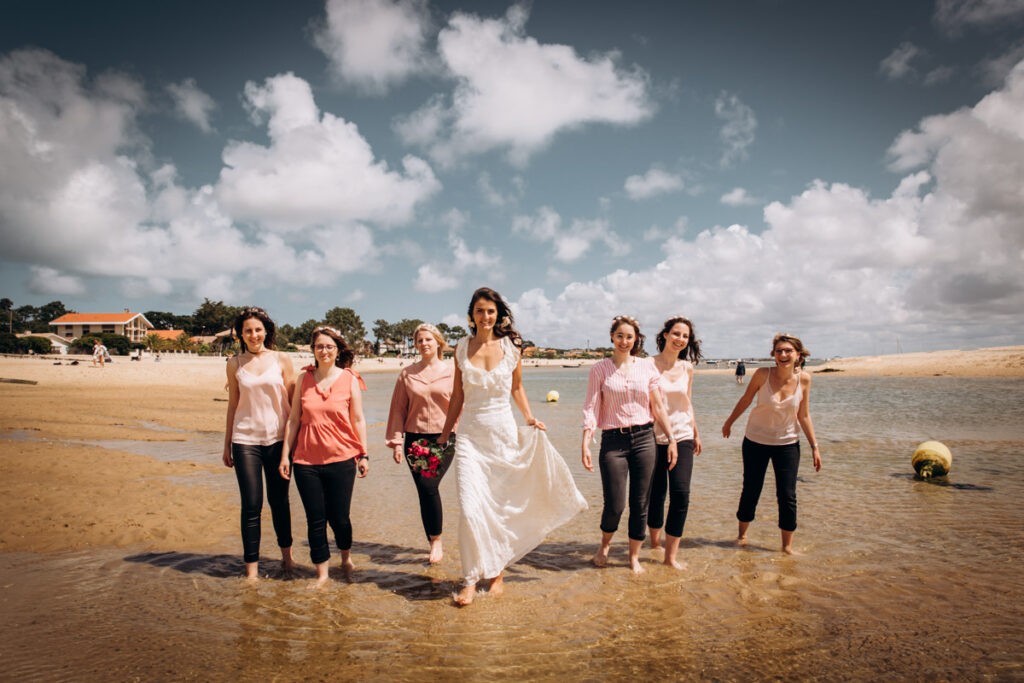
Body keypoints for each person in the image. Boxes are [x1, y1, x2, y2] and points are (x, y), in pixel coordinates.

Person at [438, 287, 586, 606]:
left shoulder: (511, 347)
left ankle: (497, 573)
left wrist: (530, 417)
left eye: (490, 311)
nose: (485, 316)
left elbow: (517, 387)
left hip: (503, 435)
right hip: (470, 437)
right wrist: (445, 432)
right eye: (480, 311)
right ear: (471, 315)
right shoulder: (461, 347)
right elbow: (457, 396)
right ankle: (469, 580)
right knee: (470, 509)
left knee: (500, 509)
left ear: (498, 314)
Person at [581, 315, 677, 574]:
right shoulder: (599, 369)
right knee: (615, 504)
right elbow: (591, 407)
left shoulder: (647, 367)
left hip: (644, 439)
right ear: (612, 337)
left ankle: (634, 557)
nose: (624, 341)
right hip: (613, 441)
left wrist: (671, 439)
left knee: (640, 502)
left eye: (629, 337)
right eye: (620, 336)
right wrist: (586, 442)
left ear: (636, 340)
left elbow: (658, 406)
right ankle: (604, 545)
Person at [279, 326, 369, 588]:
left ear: (337, 350)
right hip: (306, 461)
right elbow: (293, 420)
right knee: (315, 520)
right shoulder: (304, 379)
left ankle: (346, 557)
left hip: (342, 459)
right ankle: (322, 574)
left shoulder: (350, 379)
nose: (324, 350)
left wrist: (364, 454)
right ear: (313, 350)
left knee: (340, 518)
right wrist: (285, 456)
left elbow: (358, 419)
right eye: (319, 346)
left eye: (329, 346)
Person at [721, 333, 822, 554]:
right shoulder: (762, 374)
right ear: (773, 354)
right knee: (751, 489)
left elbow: (804, 415)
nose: (783, 354)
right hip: (755, 441)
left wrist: (814, 446)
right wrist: (729, 422)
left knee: (787, 495)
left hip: (788, 443)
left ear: (798, 355)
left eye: (788, 351)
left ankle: (787, 547)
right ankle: (742, 536)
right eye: (779, 351)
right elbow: (746, 399)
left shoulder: (804, 379)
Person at [222, 306, 296, 580]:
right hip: (245, 441)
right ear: (241, 334)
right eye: (248, 331)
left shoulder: (281, 359)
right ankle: (251, 572)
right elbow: (233, 405)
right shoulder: (234, 364)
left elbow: (294, 405)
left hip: (278, 440)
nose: (254, 335)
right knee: (251, 505)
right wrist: (227, 443)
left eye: (258, 330)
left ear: (266, 331)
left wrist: (294, 444)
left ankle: (287, 558)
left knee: (279, 502)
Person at [385, 323, 456, 564]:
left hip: (445, 437)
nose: (424, 343)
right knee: (425, 491)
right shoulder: (407, 374)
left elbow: (461, 406)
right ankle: (434, 540)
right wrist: (396, 442)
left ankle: (436, 539)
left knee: (428, 485)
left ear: (438, 342)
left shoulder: (453, 372)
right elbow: (398, 409)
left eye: (428, 339)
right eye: (419, 340)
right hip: (414, 440)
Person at [647, 316, 703, 569]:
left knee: (681, 494)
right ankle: (654, 543)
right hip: (652, 436)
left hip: (682, 435)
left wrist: (696, 432)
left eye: (685, 336)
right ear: (665, 335)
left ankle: (670, 558)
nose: (680, 339)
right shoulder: (648, 365)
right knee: (656, 494)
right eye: (676, 333)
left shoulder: (687, 368)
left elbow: (687, 403)